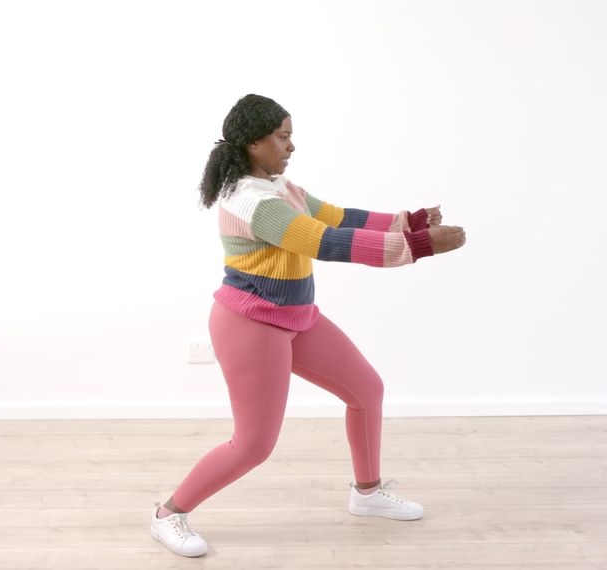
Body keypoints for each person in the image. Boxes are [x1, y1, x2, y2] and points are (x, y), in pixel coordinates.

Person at [149, 94, 466, 557]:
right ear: (254, 143)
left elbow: (337, 216)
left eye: (290, 136)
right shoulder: (253, 200)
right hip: (251, 325)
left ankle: (368, 492)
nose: (291, 146)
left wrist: (407, 221)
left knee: (366, 391)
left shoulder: (280, 187)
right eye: (283, 137)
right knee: (253, 445)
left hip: (296, 318)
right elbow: (325, 241)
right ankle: (168, 514)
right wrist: (418, 245)